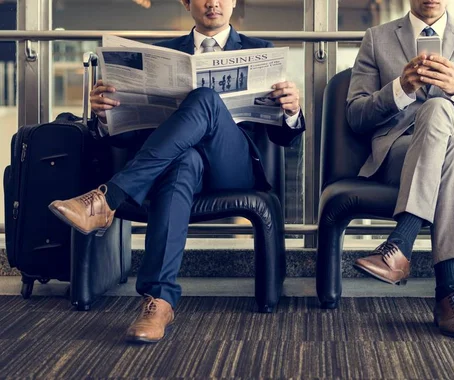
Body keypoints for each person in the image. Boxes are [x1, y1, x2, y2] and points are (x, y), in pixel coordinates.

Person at [49, 0, 304, 344]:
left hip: (234, 167)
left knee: (205, 99)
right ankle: (160, 301)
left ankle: (109, 198)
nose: (213, 2)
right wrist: (105, 115)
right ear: (186, 3)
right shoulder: (160, 54)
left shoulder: (262, 51)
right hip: (179, 165)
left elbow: (282, 136)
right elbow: (133, 136)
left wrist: (292, 111)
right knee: (183, 163)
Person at [348, 0, 454, 338]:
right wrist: (399, 90)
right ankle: (449, 292)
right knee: (443, 148)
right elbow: (356, 116)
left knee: (439, 109)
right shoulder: (377, 38)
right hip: (400, 155)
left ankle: (401, 243)